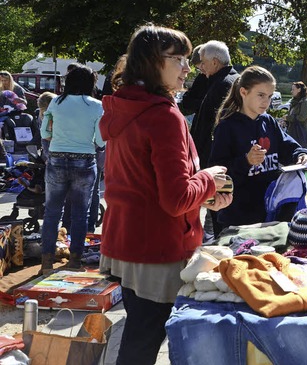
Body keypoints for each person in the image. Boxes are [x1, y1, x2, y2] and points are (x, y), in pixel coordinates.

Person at [98, 24, 232, 365]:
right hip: (156, 246)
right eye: (179, 59)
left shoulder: (126, 106)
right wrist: (209, 180)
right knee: (146, 338)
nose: (188, 68)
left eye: (189, 60)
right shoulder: (162, 115)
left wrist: (202, 194)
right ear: (152, 62)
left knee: (140, 334)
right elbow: (173, 199)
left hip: (129, 239)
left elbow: (145, 183)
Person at [210, 66, 307, 229]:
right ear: (243, 92)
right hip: (238, 218)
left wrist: (301, 154)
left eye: (270, 96)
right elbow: (216, 171)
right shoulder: (227, 127)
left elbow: (288, 146)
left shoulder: (269, 122)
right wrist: (246, 161)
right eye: (261, 95)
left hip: (271, 214)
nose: (266, 102)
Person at [38, 65, 104, 273]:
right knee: (80, 214)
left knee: (51, 213)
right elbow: (101, 140)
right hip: (84, 161)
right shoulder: (97, 105)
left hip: (57, 159)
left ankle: (46, 262)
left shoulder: (56, 103)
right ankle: (75, 260)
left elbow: (44, 132)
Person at [189, 40, 239, 237]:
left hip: (218, 161)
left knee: (220, 217)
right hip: (215, 160)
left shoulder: (225, 83)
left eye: (203, 62)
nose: (201, 67)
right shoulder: (222, 80)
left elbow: (222, 127)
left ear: (215, 62)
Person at [179, 44, 209, 117]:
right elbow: (188, 100)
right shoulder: (202, 76)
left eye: (202, 67)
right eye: (199, 69)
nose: (202, 71)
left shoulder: (221, 80)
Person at [285, 81, 307, 148]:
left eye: (293, 89)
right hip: (293, 132)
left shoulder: (305, 102)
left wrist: (287, 118)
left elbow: (302, 118)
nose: (291, 91)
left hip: (301, 134)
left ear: (299, 90)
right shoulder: (294, 102)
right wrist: (286, 121)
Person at [36, 92, 55, 163]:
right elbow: (45, 135)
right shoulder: (49, 115)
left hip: (47, 146)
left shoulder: (41, 114)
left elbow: (44, 135)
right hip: (52, 144)